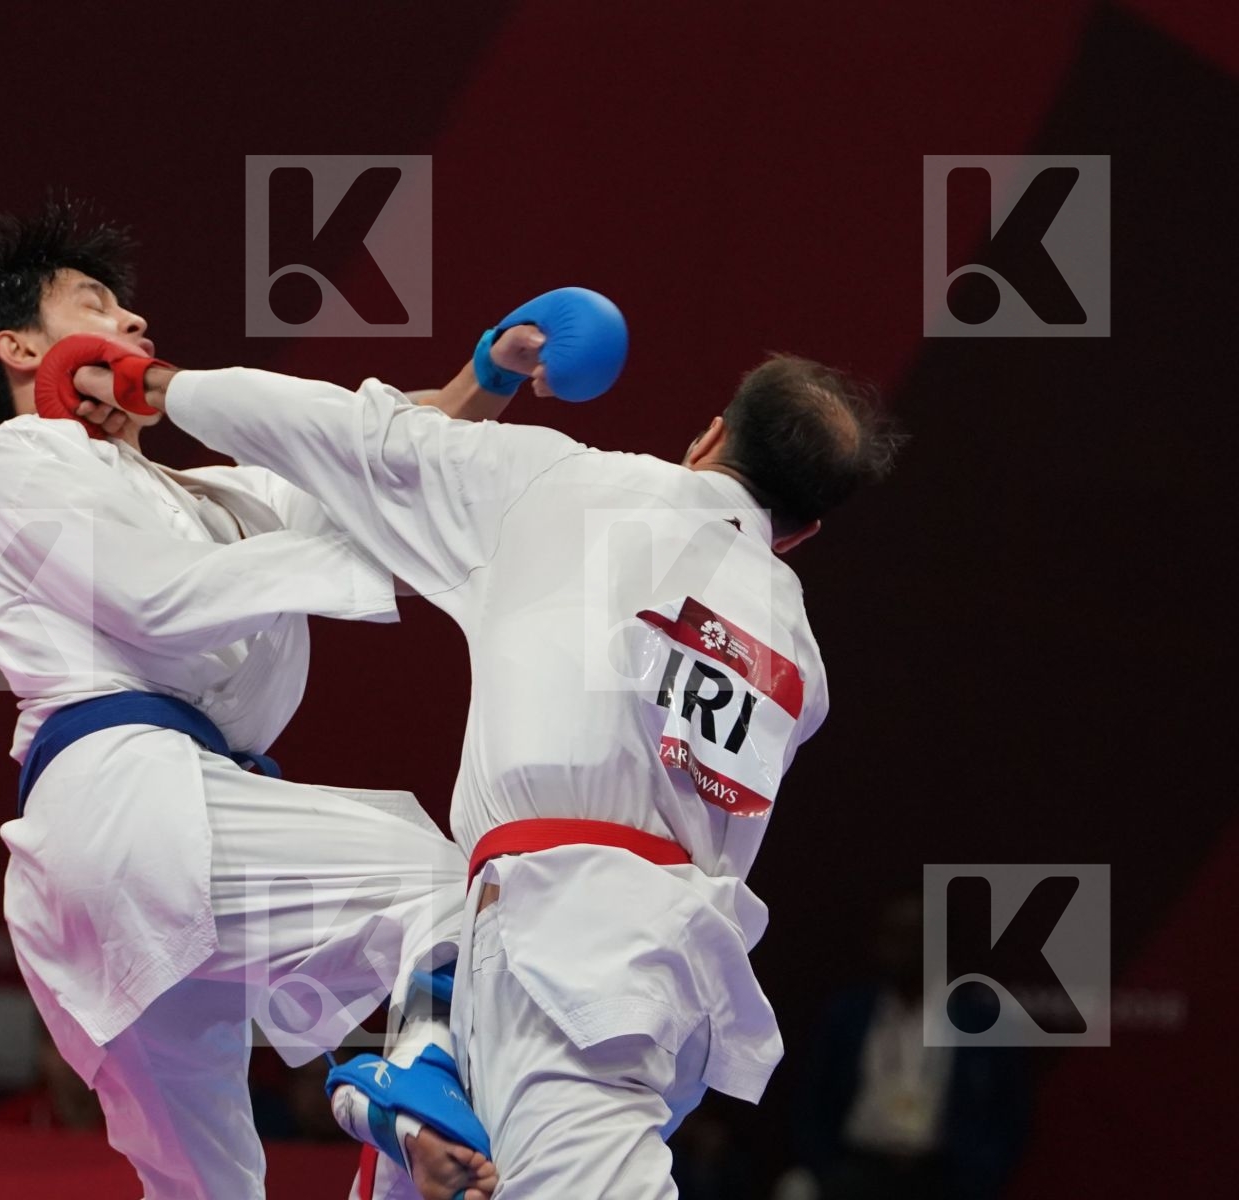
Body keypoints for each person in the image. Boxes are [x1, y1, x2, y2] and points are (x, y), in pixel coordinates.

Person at [74, 308, 903, 1198]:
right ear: (801, 533)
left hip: (565, 948)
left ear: (707, 438)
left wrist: (152, 385)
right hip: (672, 978)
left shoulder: (568, 487)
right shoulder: (801, 667)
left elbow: (354, 435)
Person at [0, 199, 501, 1200]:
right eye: (96, 303)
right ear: (20, 346)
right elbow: (159, 601)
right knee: (453, 889)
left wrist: (482, 383)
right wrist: (344, 544)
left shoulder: (224, 497)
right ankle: (397, 1087)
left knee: (206, 1189)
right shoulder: (24, 458)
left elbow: (374, 472)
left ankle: (410, 1125)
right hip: (127, 795)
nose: (138, 324)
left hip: (138, 842)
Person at [786, 895, 1030, 1200]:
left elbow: (1008, 1116)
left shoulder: (980, 1020)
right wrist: (826, 1167)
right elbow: (813, 1098)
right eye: (889, 935)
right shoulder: (849, 1014)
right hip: (858, 1170)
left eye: (909, 936)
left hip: (941, 1177)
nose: (893, 948)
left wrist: (979, 1179)